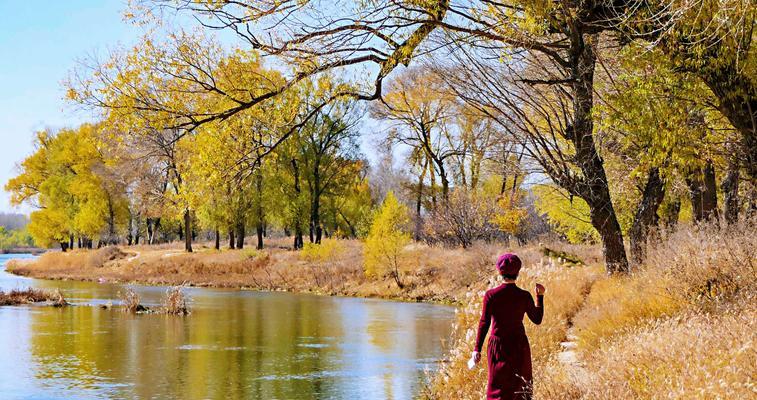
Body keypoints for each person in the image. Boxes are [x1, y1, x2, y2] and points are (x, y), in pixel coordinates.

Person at [471, 253, 545, 400]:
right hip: (519, 345)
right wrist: (540, 296)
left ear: (500, 272)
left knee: (498, 388)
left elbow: (484, 322)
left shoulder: (491, 295)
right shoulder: (524, 295)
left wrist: (476, 349)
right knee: (520, 387)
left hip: (498, 346)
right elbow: (537, 319)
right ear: (518, 272)